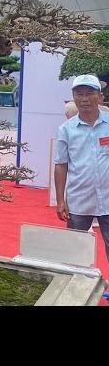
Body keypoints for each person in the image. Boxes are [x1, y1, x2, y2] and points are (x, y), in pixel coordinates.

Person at [54, 74, 109, 262]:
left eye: (90, 93)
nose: (84, 99)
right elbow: (61, 165)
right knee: (73, 251)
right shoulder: (66, 129)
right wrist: (60, 200)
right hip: (79, 200)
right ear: (73, 98)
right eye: (79, 94)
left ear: (100, 97)